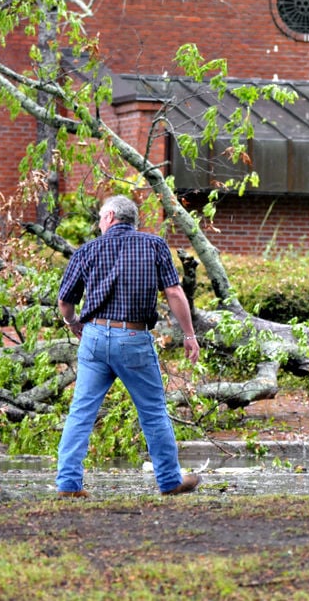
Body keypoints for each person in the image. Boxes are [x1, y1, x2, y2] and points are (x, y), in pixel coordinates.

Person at [56, 195, 201, 497]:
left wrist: (73, 324)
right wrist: (189, 334)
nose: (99, 223)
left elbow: (65, 302)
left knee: (81, 412)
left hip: (94, 337)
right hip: (133, 339)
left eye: (99, 217)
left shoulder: (87, 250)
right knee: (152, 412)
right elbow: (173, 292)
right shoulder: (154, 245)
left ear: (109, 216)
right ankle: (170, 481)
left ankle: (68, 485)